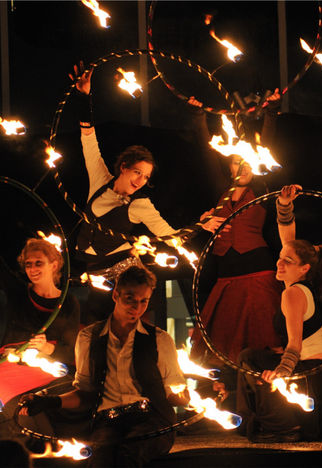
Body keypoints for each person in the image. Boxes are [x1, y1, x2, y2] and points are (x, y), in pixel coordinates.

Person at [69, 65, 223, 325]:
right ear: (124, 167)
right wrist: (84, 96)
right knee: (93, 333)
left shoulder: (140, 205)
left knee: (131, 330)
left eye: (146, 178)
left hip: (126, 275)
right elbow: (88, 138)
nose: (140, 181)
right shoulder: (100, 180)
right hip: (93, 274)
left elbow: (168, 235)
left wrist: (200, 224)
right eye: (138, 172)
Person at [20, 265, 190, 467]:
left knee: (128, 454)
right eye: (130, 299)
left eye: (144, 301)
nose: (137, 307)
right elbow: (85, 395)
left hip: (153, 421)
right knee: (99, 460)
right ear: (116, 295)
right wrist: (49, 401)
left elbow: (176, 393)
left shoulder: (160, 340)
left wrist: (189, 398)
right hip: (108, 422)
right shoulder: (88, 338)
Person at [0, 175, 80, 442]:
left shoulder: (68, 303)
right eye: (28, 264)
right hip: (14, 371)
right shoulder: (18, 293)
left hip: (52, 376)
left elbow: (72, 351)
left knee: (65, 422)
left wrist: (47, 348)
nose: (32, 269)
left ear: (54, 264)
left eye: (38, 263)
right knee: (36, 431)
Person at [186, 98, 282, 406]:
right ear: (228, 166)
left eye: (246, 164)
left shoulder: (264, 188)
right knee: (224, 339)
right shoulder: (220, 190)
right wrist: (200, 115)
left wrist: (269, 115)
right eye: (235, 163)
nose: (240, 168)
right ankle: (227, 397)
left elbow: (264, 145)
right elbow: (203, 150)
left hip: (257, 270)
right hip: (226, 274)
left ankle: (263, 398)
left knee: (259, 337)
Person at [236, 184, 322, 442]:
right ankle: (278, 422)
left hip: (312, 375)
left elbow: (296, 344)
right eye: (280, 257)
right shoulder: (304, 282)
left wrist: (281, 373)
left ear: (304, 268)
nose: (279, 262)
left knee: (249, 360)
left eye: (287, 262)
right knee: (253, 356)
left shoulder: (293, 293)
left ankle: (282, 425)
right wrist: (285, 206)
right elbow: (290, 243)